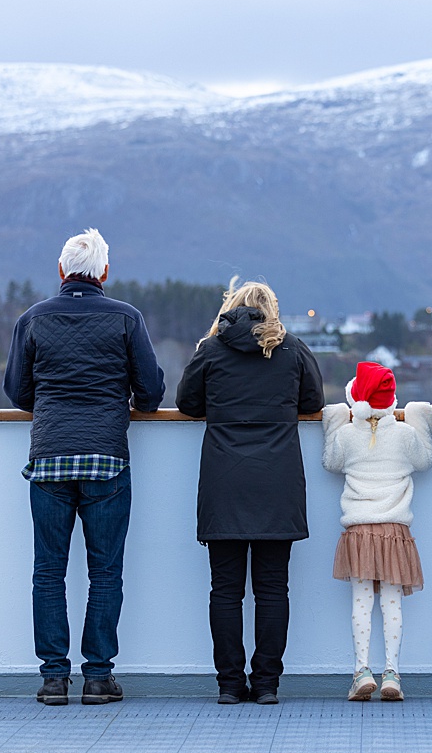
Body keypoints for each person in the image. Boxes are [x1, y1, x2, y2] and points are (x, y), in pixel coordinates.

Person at [3, 228, 166, 706]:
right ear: (105, 272)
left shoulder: (32, 320)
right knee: (105, 573)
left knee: (48, 572)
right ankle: (98, 676)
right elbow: (152, 395)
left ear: (61, 271)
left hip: (49, 459)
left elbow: (17, 392)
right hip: (106, 460)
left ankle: (54, 677)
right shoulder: (126, 318)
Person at [175, 279, 324, 705]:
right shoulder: (292, 349)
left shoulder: (211, 350)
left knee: (225, 590)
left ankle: (228, 684)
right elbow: (313, 401)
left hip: (225, 481)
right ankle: (266, 685)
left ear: (232, 307)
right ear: (271, 311)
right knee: (274, 588)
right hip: (277, 481)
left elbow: (188, 404)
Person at [321, 361, 432, 702]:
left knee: (361, 602)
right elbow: (425, 460)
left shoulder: (347, 436)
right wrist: (419, 415)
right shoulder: (403, 435)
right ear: (391, 402)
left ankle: (361, 671)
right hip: (394, 531)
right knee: (391, 602)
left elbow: (330, 462)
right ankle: (392, 674)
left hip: (358, 530)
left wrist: (334, 421)